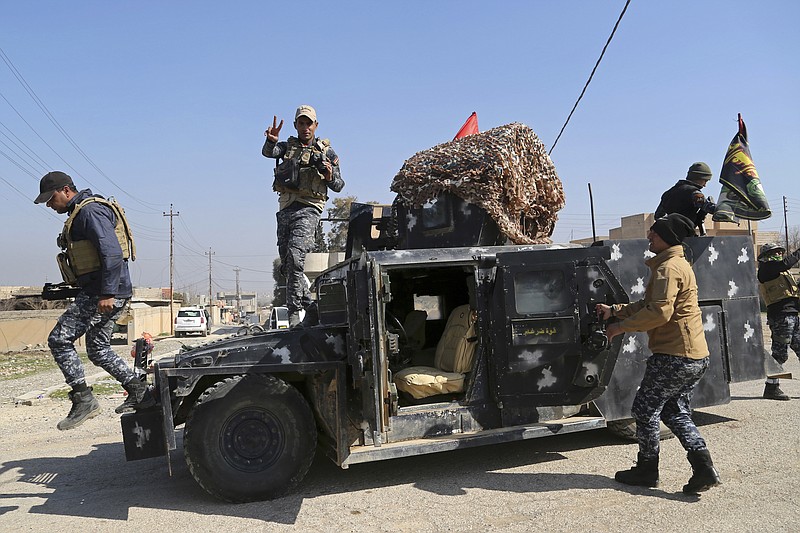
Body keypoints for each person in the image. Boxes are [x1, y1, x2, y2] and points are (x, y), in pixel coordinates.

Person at [596, 213, 721, 495]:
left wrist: (619, 328)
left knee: (645, 409)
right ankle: (704, 468)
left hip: (674, 355)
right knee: (675, 411)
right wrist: (614, 311)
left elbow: (659, 313)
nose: (649, 236)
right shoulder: (672, 264)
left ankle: (647, 469)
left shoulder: (668, 268)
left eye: (654, 233)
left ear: (668, 238)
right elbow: (648, 303)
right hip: (692, 355)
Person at [34, 171, 154, 430]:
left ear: (66, 190)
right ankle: (139, 393)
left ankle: (84, 399)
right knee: (98, 348)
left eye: (51, 198)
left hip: (105, 292)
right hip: (105, 290)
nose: (49, 204)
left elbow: (111, 254)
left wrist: (107, 293)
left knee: (59, 339)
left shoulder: (89, 212)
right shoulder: (82, 212)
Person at [262, 105, 344, 327]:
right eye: (301, 123)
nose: (305, 127)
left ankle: (293, 313)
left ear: (316, 125)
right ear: (296, 125)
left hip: (309, 207)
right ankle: (311, 306)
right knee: (288, 264)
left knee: (296, 255)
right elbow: (269, 153)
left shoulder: (327, 152)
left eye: (309, 123)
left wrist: (328, 175)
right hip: (287, 206)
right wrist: (270, 140)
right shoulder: (287, 147)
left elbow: (338, 185)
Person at [757, 242, 800, 401]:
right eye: (775, 252)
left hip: (793, 315)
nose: (779, 255)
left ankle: (772, 387)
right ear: (766, 256)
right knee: (780, 354)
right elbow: (785, 263)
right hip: (780, 317)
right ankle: (771, 387)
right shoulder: (766, 269)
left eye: (780, 252)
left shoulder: (782, 272)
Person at [655, 162, 717, 235]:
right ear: (698, 178)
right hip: (686, 236)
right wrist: (726, 209)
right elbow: (708, 207)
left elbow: (658, 216)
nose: (705, 185)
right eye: (705, 180)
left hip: (671, 236)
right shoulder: (693, 192)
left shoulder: (668, 193)